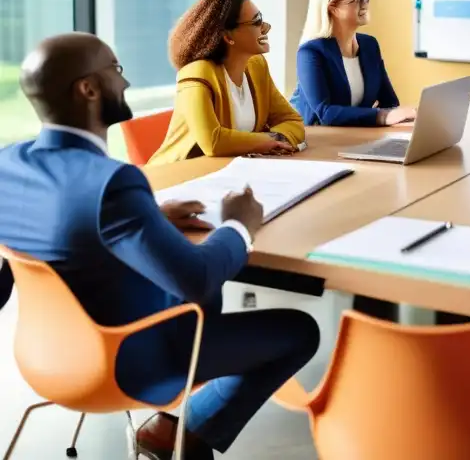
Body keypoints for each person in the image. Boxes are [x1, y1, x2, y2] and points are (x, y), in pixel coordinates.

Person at [0, 33, 320, 460]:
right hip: (130, 362)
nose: (126, 82)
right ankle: (181, 435)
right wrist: (239, 227)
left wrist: (148, 216)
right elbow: (195, 278)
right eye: (115, 70)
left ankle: (172, 434)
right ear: (88, 89)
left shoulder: (9, 163)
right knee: (298, 329)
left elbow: (40, 250)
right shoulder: (113, 182)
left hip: (42, 357)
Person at [148, 0, 305, 165]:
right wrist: (266, 142)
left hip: (230, 172)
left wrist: (272, 139)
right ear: (228, 36)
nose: (266, 27)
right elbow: (213, 142)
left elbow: (291, 120)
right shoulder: (196, 73)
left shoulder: (256, 66)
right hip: (177, 176)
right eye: (257, 21)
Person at [291, 0, 415, 127]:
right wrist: (382, 117)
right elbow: (325, 113)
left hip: (355, 136)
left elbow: (389, 102)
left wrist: (404, 115)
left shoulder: (369, 45)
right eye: (356, 0)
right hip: (317, 140)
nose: (365, 4)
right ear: (333, 8)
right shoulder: (310, 52)